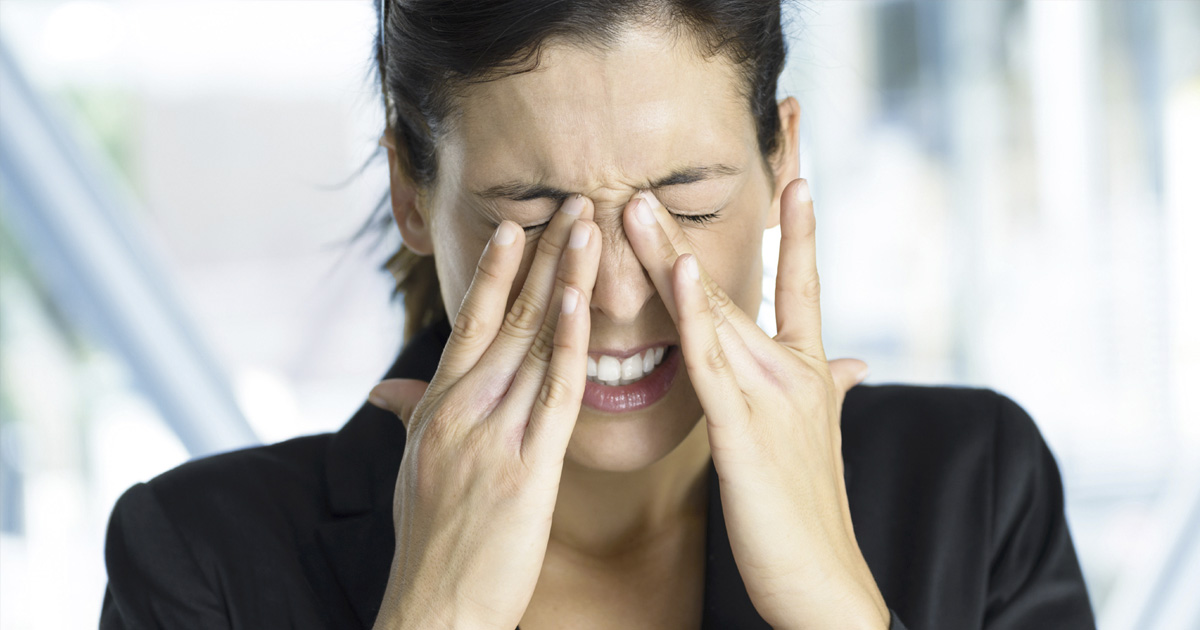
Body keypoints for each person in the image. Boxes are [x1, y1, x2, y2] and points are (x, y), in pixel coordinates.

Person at [99, 1, 1098, 628]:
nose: (619, 298)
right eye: (535, 217)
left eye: (687, 206)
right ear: (412, 187)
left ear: (781, 156)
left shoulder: (975, 492)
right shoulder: (199, 565)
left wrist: (840, 613)